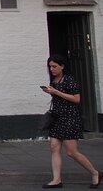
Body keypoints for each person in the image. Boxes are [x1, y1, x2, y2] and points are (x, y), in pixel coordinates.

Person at [41, 54, 101, 189]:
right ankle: (56, 180)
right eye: (50, 67)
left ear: (62, 66)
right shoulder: (54, 81)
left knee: (71, 152)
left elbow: (76, 99)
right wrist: (51, 92)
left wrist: (57, 93)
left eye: (54, 66)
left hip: (70, 118)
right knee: (54, 147)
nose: (52, 69)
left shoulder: (69, 81)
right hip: (57, 117)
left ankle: (95, 173)